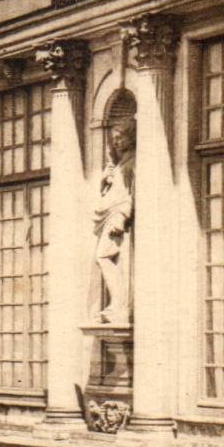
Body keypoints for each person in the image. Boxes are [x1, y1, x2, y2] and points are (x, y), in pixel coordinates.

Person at [93, 116, 136, 324]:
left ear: (131, 137)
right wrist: (105, 180)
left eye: (120, 137)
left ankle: (119, 304)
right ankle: (116, 303)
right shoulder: (121, 164)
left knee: (103, 257)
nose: (117, 142)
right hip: (110, 214)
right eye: (114, 139)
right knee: (105, 258)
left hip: (117, 217)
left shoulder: (133, 161)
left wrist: (122, 216)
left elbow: (132, 193)